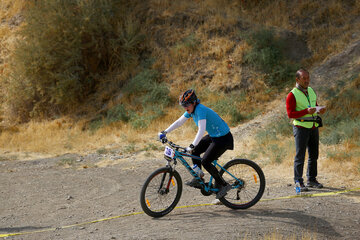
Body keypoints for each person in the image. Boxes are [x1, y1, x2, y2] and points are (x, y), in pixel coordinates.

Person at [158, 89, 234, 199]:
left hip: (223, 138)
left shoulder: (200, 110)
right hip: (214, 136)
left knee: (206, 161)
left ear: (194, 102)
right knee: (196, 151)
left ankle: (224, 185)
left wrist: (192, 144)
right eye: (183, 105)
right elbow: (179, 122)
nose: (185, 107)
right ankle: (199, 178)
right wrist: (165, 132)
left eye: (187, 105)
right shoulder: (191, 110)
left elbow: (201, 129)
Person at [286, 68, 326, 192]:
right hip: (300, 127)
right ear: (297, 79)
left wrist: (320, 109)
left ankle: (312, 180)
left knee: (314, 155)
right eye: (304, 78)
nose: (307, 80)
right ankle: (298, 182)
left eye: (308, 78)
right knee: (300, 156)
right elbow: (290, 114)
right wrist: (306, 112)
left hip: (313, 126)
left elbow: (314, 105)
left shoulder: (311, 91)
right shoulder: (292, 95)